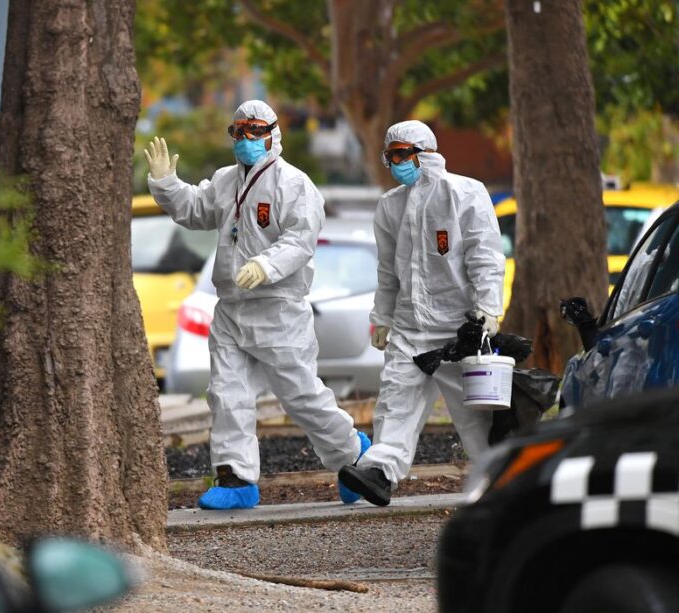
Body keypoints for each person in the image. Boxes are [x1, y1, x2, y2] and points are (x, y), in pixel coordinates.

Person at [144, 100, 370, 510]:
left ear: (272, 134)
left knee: (299, 395)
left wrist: (266, 266)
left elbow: (301, 240)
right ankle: (236, 479)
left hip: (278, 308)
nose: (246, 140)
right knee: (227, 393)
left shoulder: (294, 185)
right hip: (230, 307)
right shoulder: (225, 181)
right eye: (239, 131)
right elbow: (197, 210)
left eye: (255, 131)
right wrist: (167, 185)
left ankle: (351, 453)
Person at [339, 120, 505, 506]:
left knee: (475, 417)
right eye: (390, 156)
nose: (395, 163)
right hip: (411, 328)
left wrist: (487, 309)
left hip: (460, 330)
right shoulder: (390, 206)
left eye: (401, 154)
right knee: (396, 401)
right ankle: (379, 472)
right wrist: (382, 317)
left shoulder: (465, 194)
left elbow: (485, 256)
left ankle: (499, 484)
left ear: (425, 154)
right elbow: (387, 270)